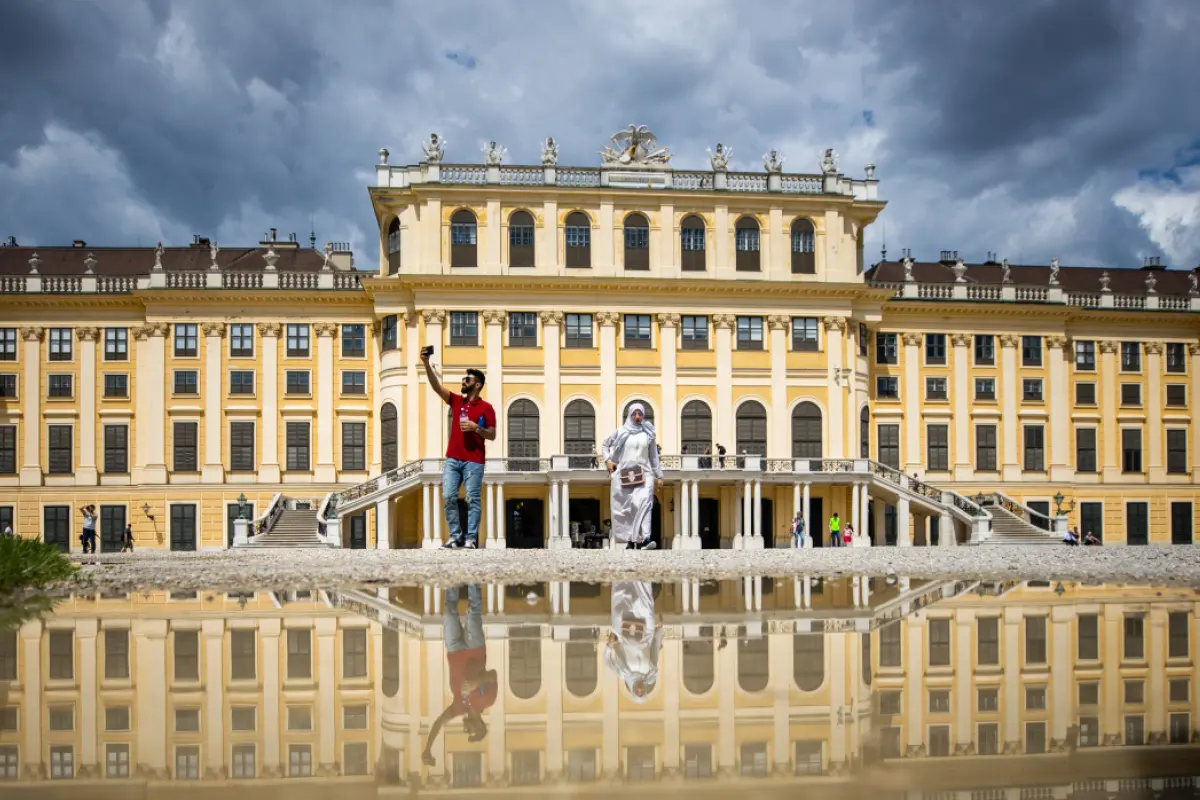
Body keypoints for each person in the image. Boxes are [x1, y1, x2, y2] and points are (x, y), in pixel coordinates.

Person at [421, 350, 496, 550]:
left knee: (472, 499)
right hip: (453, 459)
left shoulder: (486, 408)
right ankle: (455, 537)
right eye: (464, 378)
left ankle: (471, 539)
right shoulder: (456, 401)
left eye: (467, 379)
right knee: (448, 496)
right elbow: (436, 386)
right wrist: (426, 363)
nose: (463, 381)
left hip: (474, 460)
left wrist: (476, 428)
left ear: (477, 384)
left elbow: (492, 434)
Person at [422, 584, 496, 766]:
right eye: (469, 732)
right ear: (479, 726)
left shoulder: (458, 708)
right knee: (473, 613)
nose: (465, 730)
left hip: (454, 650)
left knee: (448, 612)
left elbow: (439, 723)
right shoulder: (487, 701)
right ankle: (472, 575)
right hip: (474, 648)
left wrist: (427, 749)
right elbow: (493, 675)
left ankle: (453, 575)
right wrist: (476, 683)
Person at [602, 402, 663, 551]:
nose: (637, 417)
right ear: (629, 415)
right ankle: (632, 539)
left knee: (645, 503)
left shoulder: (648, 433)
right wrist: (608, 460)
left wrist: (659, 475)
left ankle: (647, 538)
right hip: (626, 474)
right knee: (629, 508)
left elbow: (653, 456)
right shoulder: (620, 432)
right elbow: (605, 445)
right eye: (634, 414)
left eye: (640, 414)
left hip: (645, 473)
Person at [605, 581, 663, 701]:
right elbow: (655, 649)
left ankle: (622, 578)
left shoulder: (624, 673)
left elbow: (608, 662)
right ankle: (641, 577)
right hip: (645, 634)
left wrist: (609, 646)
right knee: (646, 608)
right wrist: (660, 629)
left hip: (625, 634)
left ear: (633, 690)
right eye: (642, 692)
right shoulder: (650, 673)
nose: (640, 690)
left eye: (637, 692)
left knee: (619, 612)